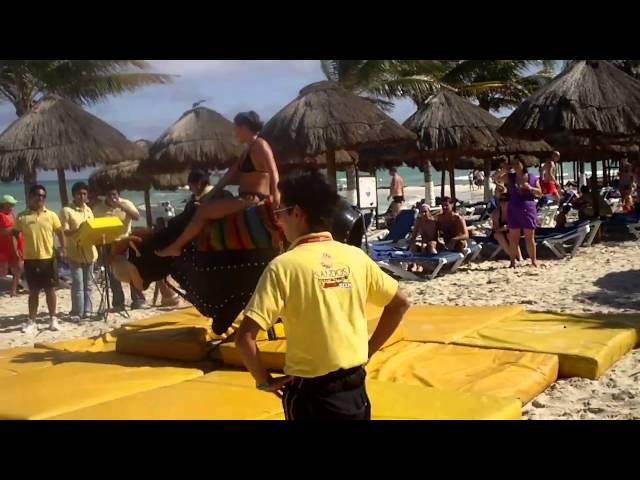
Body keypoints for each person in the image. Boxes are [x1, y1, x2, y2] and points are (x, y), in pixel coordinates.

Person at [234, 169, 410, 420]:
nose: (278, 222)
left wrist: (264, 380)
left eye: (280, 213)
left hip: (312, 396)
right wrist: (368, 351)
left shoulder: (283, 267)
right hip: (355, 390)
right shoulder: (355, 257)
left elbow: (244, 339)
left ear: (297, 213)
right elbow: (400, 303)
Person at [155, 111, 280, 257]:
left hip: (252, 200)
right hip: (244, 198)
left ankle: (176, 247)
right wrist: (206, 197)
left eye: (237, 128)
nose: (235, 132)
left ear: (245, 127)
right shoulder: (247, 151)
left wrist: (276, 198)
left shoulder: (261, 145)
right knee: (205, 206)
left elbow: (274, 172)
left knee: (203, 212)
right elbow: (227, 178)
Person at [13, 185, 66, 333]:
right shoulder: (22, 216)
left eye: (43, 196)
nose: (40, 198)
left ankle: (53, 320)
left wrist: (63, 248)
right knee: (34, 292)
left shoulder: (51, 215)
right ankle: (32, 321)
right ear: (30, 196)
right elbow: (15, 233)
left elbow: (60, 232)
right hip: (30, 259)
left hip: (48, 258)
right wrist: (17, 250)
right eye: (37, 195)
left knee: (50, 290)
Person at [92, 183, 146, 311]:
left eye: (114, 195)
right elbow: (94, 227)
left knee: (132, 271)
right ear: (105, 196)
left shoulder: (126, 203)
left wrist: (121, 206)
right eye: (110, 195)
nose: (112, 197)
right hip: (108, 244)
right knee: (113, 275)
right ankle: (118, 302)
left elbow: (137, 217)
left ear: (118, 195)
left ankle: (137, 299)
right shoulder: (98, 209)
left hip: (125, 241)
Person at [59, 182, 98, 321]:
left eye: (84, 194)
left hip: (90, 252)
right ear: (74, 195)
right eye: (79, 194)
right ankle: (77, 312)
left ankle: (88, 311)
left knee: (89, 284)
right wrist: (81, 229)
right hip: (75, 253)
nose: (82, 196)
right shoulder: (66, 210)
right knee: (78, 284)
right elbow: (65, 231)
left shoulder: (89, 210)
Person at [497, 156, 541, 268]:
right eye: (514, 164)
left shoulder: (532, 177)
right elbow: (495, 179)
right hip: (514, 208)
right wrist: (504, 170)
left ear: (523, 164)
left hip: (528, 208)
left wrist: (530, 188)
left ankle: (533, 261)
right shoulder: (510, 177)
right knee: (513, 237)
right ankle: (512, 262)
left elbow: (540, 193)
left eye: (517, 163)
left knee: (529, 237)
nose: (515, 166)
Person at [0, 195, 24, 297]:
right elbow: (2, 231)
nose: (12, 207)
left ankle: (13, 291)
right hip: (4, 247)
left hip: (16, 244)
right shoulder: (0, 215)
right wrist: (14, 229)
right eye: (10, 205)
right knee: (3, 270)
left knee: (18, 268)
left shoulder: (13, 214)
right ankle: (2, 290)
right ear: (3, 205)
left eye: (13, 204)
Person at [491, 193, 523, 263]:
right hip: (499, 231)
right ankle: (512, 257)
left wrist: (509, 227)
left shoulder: (513, 212)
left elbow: (519, 225)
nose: (503, 202)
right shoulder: (496, 213)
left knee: (511, 235)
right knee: (498, 235)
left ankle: (520, 257)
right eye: (501, 200)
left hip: (512, 231)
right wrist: (502, 228)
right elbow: (495, 229)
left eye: (505, 200)